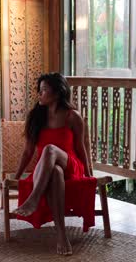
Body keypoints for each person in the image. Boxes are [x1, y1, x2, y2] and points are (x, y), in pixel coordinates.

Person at [12, 73, 93, 256]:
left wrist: (88, 174)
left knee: (50, 150)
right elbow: (28, 152)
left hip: (71, 166)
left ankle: (33, 198)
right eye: (38, 90)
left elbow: (81, 148)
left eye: (43, 90)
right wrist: (16, 177)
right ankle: (62, 236)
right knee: (54, 171)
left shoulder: (73, 117)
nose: (39, 94)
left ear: (57, 93)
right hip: (46, 169)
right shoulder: (36, 118)